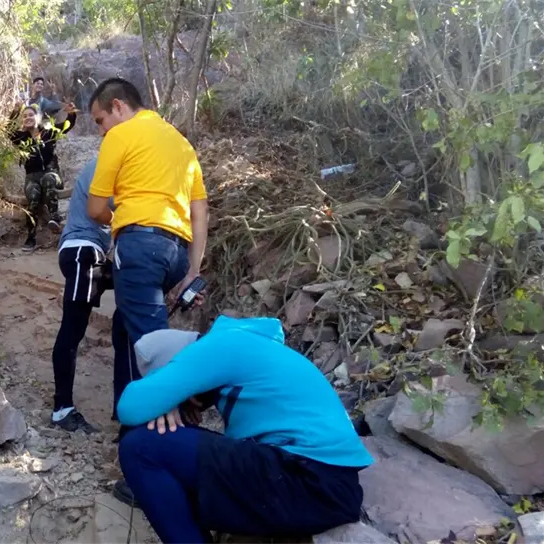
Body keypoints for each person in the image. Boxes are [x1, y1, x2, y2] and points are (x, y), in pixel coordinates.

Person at [116, 315, 374, 543]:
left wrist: (166, 398)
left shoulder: (218, 346)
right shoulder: (255, 351)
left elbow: (129, 408)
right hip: (324, 485)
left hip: (307, 479)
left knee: (141, 445)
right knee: (183, 460)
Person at [85, 77, 209, 502]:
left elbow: (95, 208)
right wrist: (193, 268)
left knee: (153, 352)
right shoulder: (179, 141)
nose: (102, 129)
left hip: (139, 245)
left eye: (100, 119)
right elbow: (199, 208)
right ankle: (130, 415)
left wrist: (124, 213)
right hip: (176, 254)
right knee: (128, 329)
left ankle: (162, 468)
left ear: (117, 107)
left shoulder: (121, 135)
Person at [49, 157, 115, 433]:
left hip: (89, 253)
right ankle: (61, 410)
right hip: (82, 252)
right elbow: (106, 210)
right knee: (72, 329)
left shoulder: (108, 163)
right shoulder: (107, 165)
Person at [11, 103, 78, 251]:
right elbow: (8, 131)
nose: (28, 117)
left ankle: (54, 217)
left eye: (31, 115)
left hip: (52, 175)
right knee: (33, 195)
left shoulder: (49, 132)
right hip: (32, 177)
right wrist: (15, 112)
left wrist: (71, 113)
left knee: (48, 178)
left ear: (38, 117)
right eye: (25, 116)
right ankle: (31, 238)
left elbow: (67, 125)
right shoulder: (21, 138)